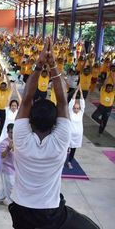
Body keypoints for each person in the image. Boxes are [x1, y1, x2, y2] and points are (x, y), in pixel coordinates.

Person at [9, 38, 99, 229]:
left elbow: (26, 100)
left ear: (29, 121)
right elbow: (62, 102)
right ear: (55, 123)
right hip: (48, 211)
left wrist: (39, 63)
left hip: (19, 208)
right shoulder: (60, 139)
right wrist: (52, 65)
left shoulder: (21, 136)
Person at [67, 85, 85, 169]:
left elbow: (82, 102)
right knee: (65, 149)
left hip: (77, 136)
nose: (76, 109)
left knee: (73, 150)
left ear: (80, 109)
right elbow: (72, 101)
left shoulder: (81, 113)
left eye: (78, 108)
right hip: (70, 135)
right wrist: (76, 90)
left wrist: (81, 92)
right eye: (75, 108)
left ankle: (69, 162)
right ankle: (60, 161)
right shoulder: (70, 112)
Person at [0, 123, 15, 206]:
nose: (13, 134)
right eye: (11, 132)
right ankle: (12, 204)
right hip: (6, 168)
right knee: (11, 187)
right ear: (7, 132)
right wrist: (8, 148)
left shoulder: (19, 141)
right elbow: (2, 155)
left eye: (14, 132)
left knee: (7, 185)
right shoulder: (4, 143)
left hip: (16, 168)